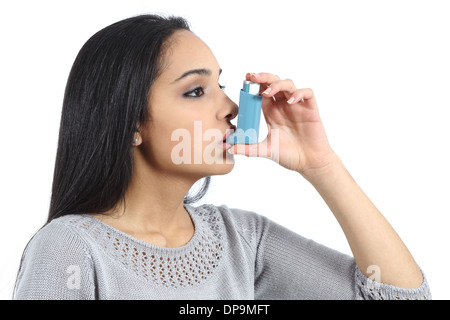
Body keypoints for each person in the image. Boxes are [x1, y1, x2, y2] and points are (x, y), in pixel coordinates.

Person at [13, 14, 431, 300]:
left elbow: (401, 296)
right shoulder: (71, 248)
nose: (231, 107)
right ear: (130, 124)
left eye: (221, 86)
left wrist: (320, 164)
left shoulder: (241, 240)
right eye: (196, 91)